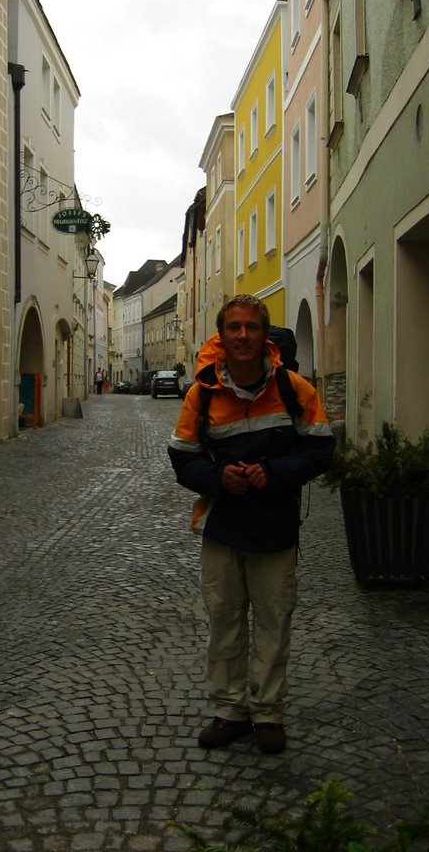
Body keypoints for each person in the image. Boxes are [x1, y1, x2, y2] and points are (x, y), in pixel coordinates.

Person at [167, 295, 335, 755]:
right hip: (222, 525)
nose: (242, 336)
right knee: (224, 621)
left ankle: (267, 714)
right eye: (234, 328)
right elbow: (182, 457)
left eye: (252, 328)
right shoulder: (201, 393)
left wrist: (275, 474)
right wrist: (218, 477)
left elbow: (321, 449)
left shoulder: (294, 388)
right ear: (222, 336)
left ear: (264, 336)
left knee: (273, 622)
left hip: (276, 528)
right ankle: (228, 711)